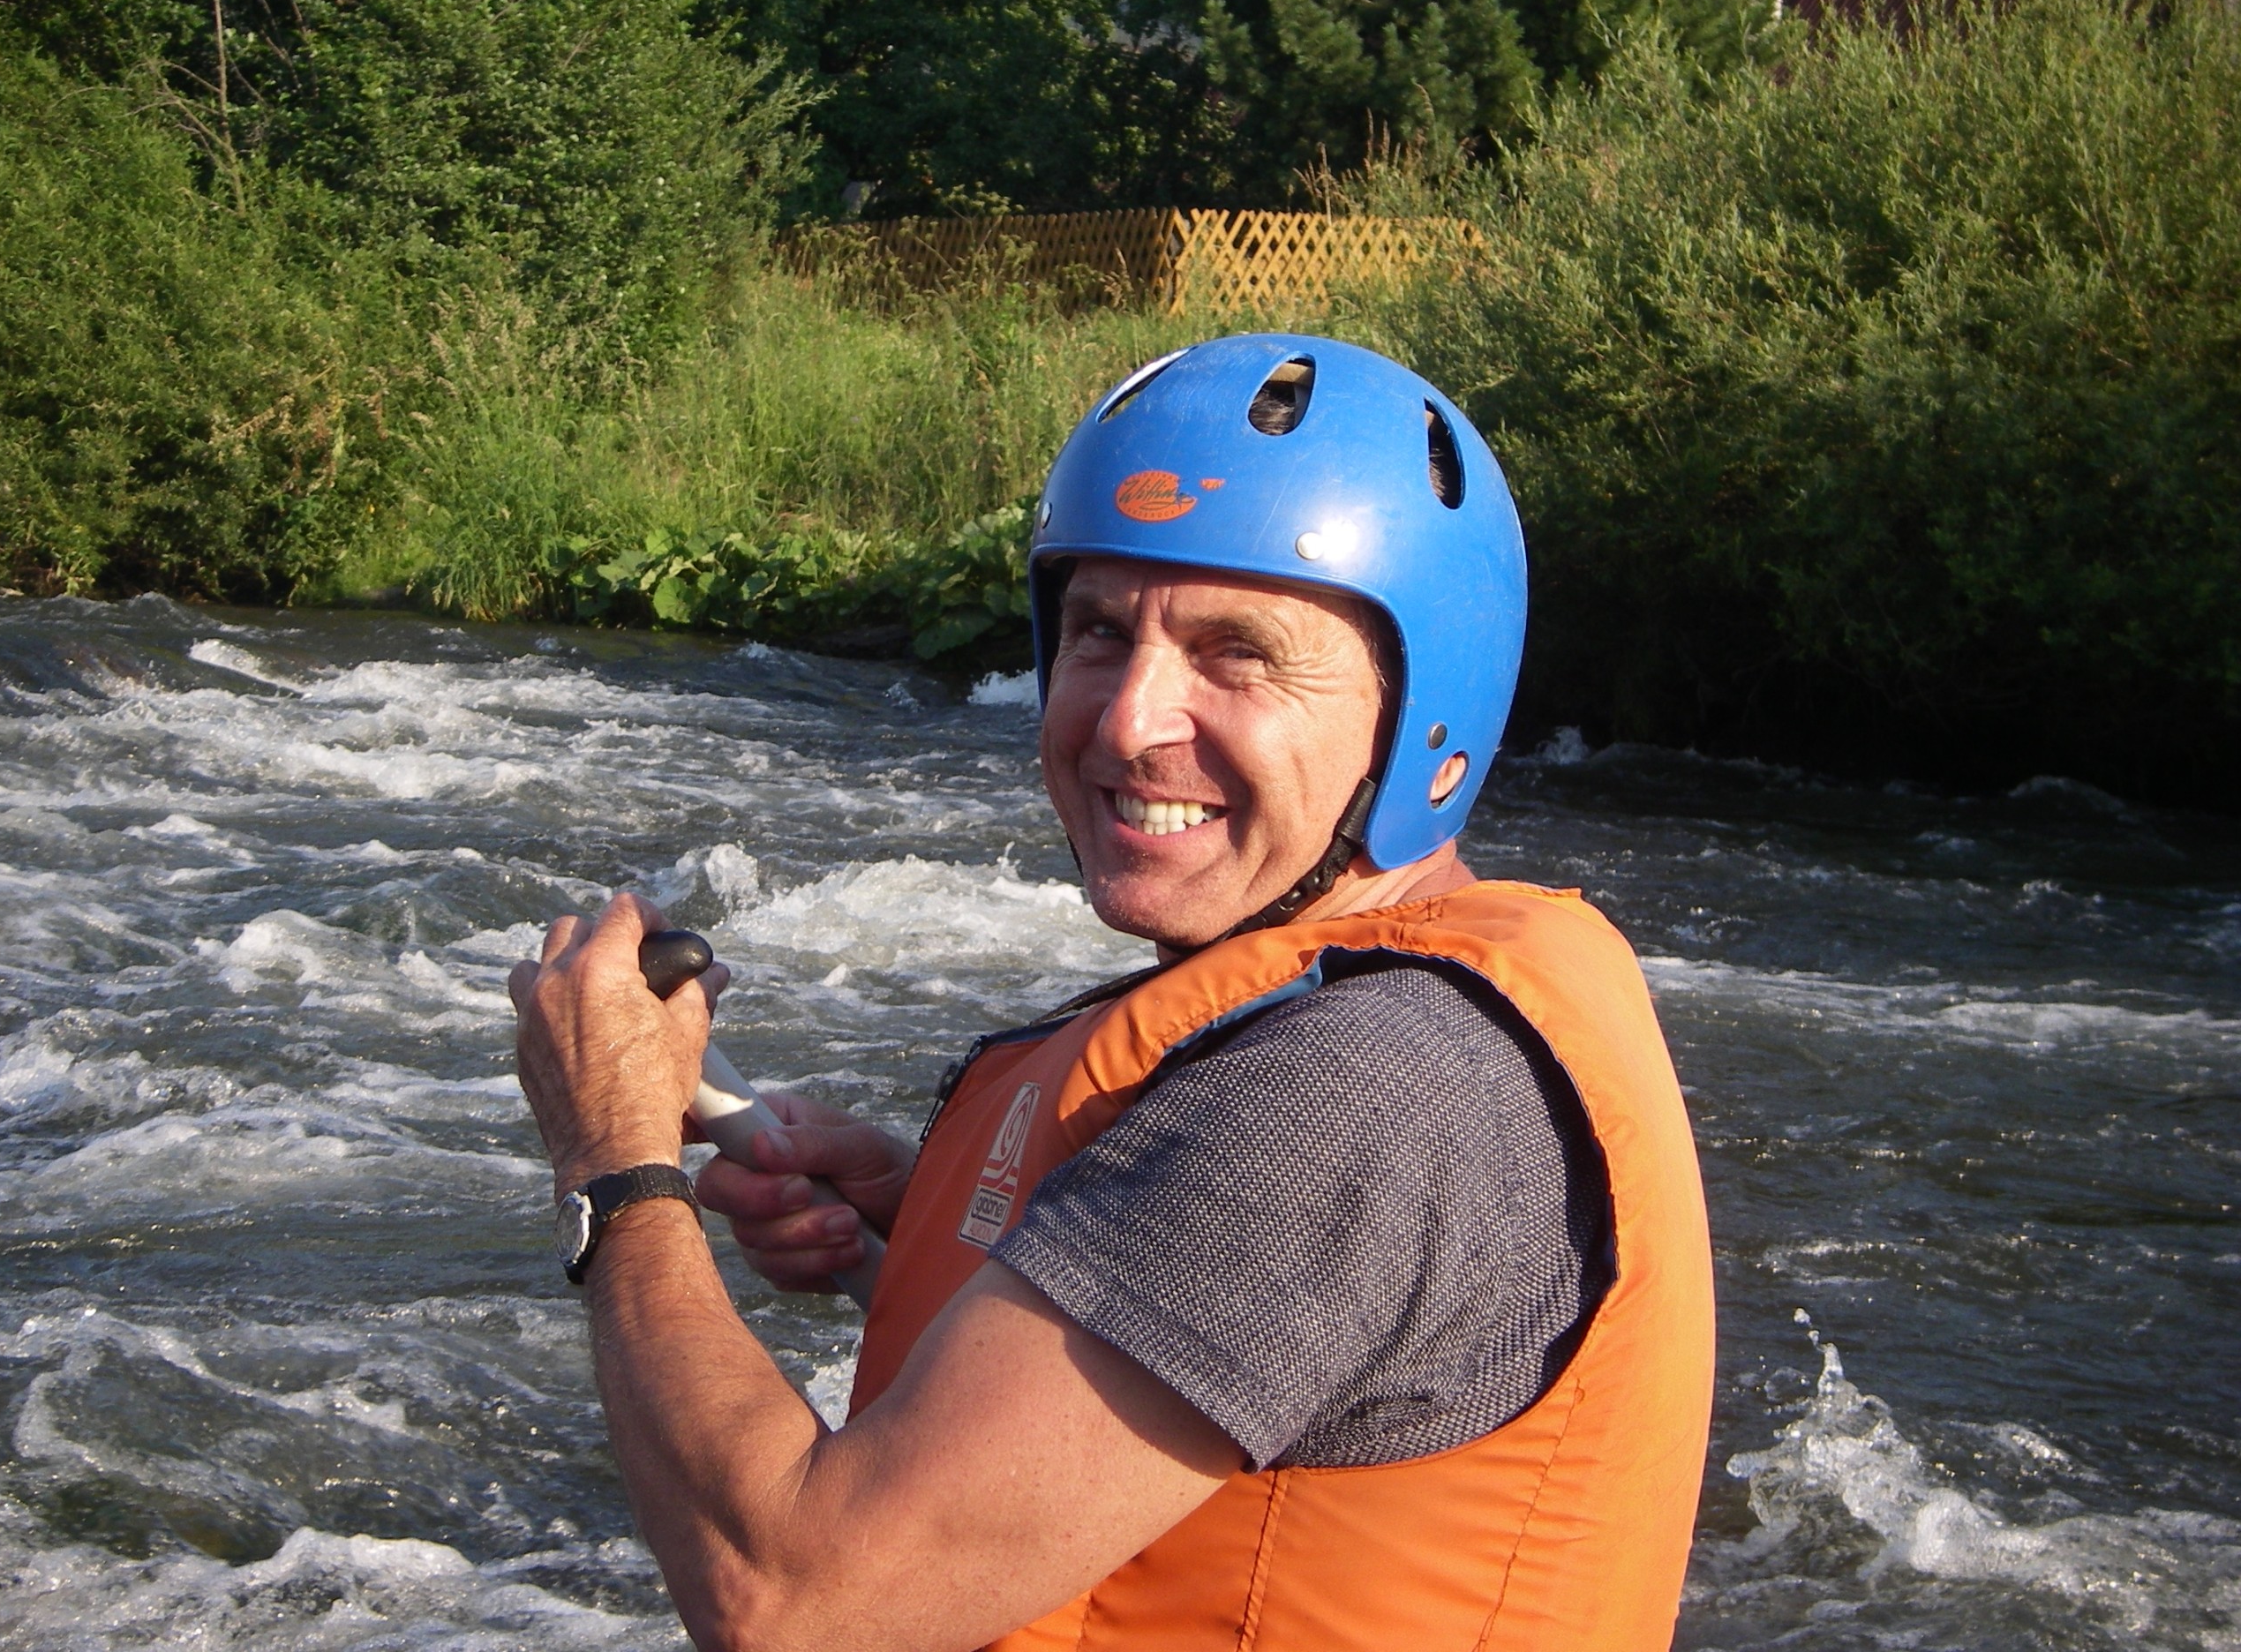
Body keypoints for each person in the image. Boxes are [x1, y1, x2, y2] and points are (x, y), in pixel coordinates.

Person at [508, 334, 1715, 1652]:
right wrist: (921, 1222)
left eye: (1237, 653)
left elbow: (796, 1601)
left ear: (1430, 718)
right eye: (1099, 632)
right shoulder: (1399, 1024)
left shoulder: (1361, 1090)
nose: (1129, 722)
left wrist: (616, 1171)